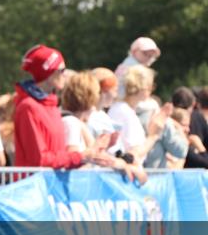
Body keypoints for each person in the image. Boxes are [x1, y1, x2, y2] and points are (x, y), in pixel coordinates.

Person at [13, 45, 128, 174]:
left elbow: (60, 157)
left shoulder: (50, 106)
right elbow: (40, 160)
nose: (65, 74)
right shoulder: (28, 107)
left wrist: (95, 151)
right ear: (49, 72)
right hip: (36, 187)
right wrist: (83, 156)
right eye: (62, 70)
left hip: (51, 185)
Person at [107, 65, 168, 164]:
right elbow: (133, 155)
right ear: (142, 87)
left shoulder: (122, 109)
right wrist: (154, 135)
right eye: (150, 86)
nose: (152, 89)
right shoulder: (125, 112)